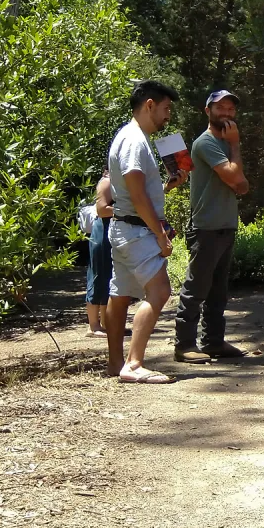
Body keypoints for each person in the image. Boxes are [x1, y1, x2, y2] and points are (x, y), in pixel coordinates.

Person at [104, 80, 187, 383]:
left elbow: (135, 192)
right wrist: (160, 234)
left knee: (121, 293)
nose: (168, 117)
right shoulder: (134, 140)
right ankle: (134, 364)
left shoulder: (131, 137)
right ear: (149, 105)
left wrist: (167, 187)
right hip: (137, 232)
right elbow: (137, 196)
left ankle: (116, 363)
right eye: (166, 109)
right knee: (160, 291)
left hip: (125, 228)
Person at [175, 89, 250, 362]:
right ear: (208, 111)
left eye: (231, 109)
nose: (227, 113)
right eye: (221, 108)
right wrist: (235, 146)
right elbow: (234, 176)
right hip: (206, 227)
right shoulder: (206, 143)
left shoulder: (225, 144)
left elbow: (242, 186)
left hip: (226, 225)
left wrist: (234, 168)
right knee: (196, 289)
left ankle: (213, 342)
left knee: (218, 291)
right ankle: (184, 346)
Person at [82, 169, 114, 337]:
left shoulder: (117, 181)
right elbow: (102, 210)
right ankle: (93, 326)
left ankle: (104, 324)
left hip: (110, 233)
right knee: (97, 276)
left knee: (108, 277)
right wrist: (129, 210)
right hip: (102, 233)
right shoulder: (106, 182)